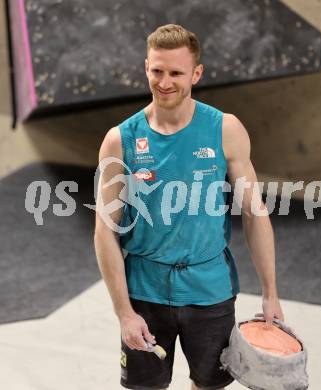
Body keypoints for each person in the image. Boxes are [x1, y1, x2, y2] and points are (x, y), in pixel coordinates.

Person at [94, 24, 284, 390]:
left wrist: (270, 293)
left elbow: (254, 213)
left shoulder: (225, 129)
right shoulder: (121, 140)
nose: (165, 82)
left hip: (209, 289)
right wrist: (124, 314)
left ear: (196, 73)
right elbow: (105, 231)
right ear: (146, 67)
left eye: (176, 73)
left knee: (209, 386)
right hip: (145, 292)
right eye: (157, 71)